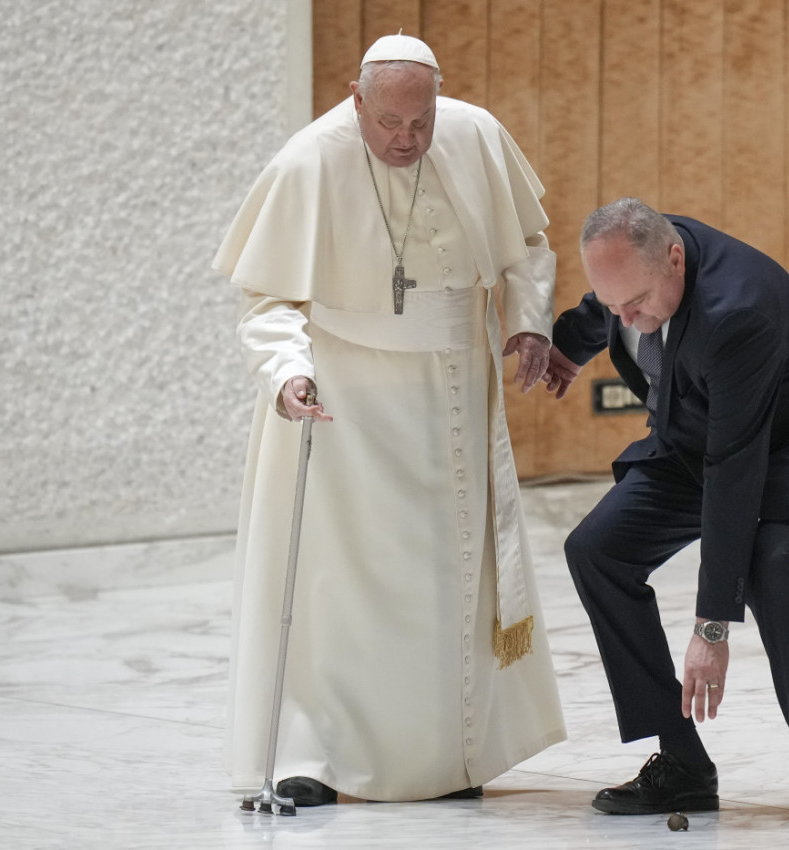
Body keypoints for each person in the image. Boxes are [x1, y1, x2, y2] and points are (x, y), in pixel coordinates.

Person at [212, 33, 565, 805]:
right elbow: (267, 299)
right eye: (388, 124)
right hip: (349, 399)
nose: (405, 141)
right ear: (355, 98)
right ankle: (319, 757)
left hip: (456, 393)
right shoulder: (307, 162)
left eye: (420, 123)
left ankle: (449, 760)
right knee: (342, 583)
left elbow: (526, 246)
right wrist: (287, 372)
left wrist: (530, 320)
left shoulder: (474, 134)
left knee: (450, 580)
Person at [543, 198, 789, 824]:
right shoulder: (637, 268)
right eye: (614, 306)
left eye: (634, 303)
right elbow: (600, 309)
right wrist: (565, 348)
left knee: (772, 564)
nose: (626, 319)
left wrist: (712, 627)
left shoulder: (738, 311)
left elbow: (735, 471)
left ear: (675, 261)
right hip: (699, 434)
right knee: (597, 550)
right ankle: (682, 766)